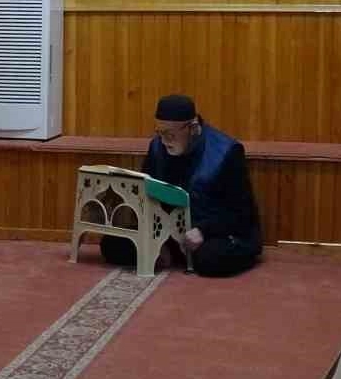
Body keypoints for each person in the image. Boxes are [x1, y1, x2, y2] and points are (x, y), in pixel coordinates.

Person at [101, 95, 262, 277]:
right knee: (111, 245)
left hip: (214, 232)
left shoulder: (226, 152)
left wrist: (203, 230)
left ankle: (187, 254)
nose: (164, 141)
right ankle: (172, 253)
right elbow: (147, 192)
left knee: (210, 259)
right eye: (160, 133)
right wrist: (154, 239)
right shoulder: (157, 147)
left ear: (192, 128)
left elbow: (240, 213)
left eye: (170, 135)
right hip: (171, 232)